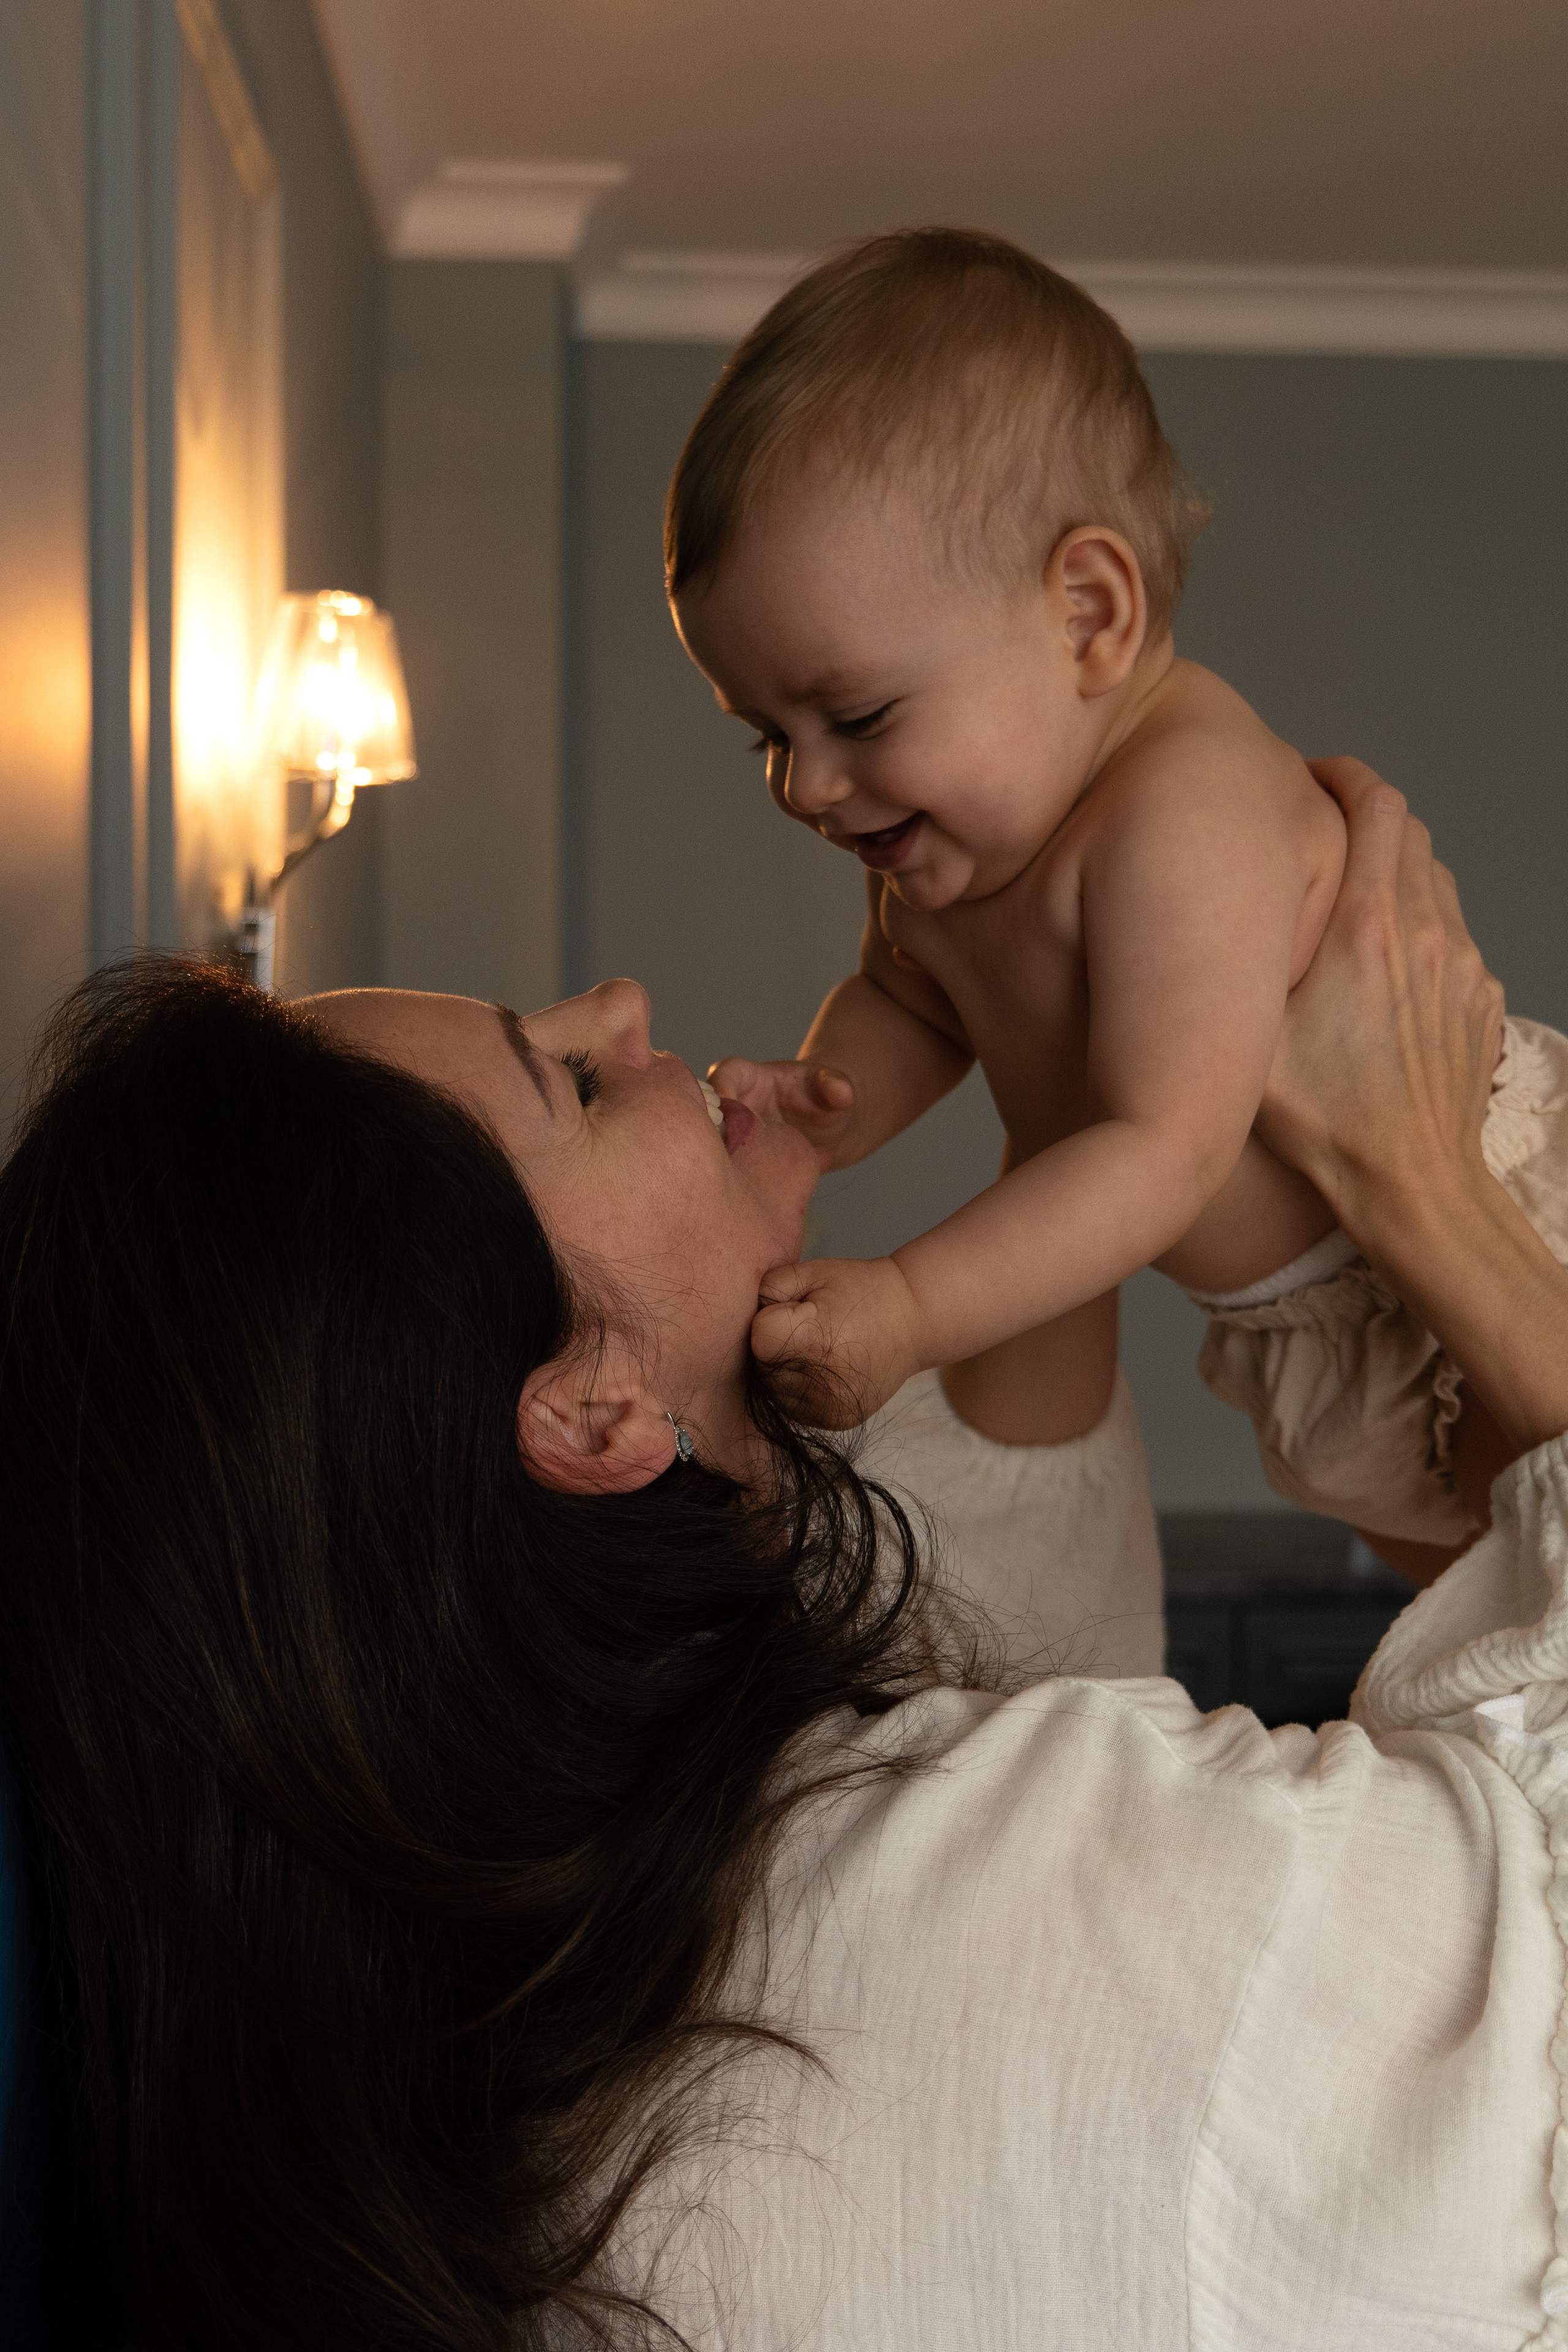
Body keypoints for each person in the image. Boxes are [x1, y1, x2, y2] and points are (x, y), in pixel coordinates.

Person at [3, 762, 1568, 2350]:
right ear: (592, 1409)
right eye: (573, 1087)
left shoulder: (445, 2070)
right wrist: (1423, 1183)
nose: (624, 1006)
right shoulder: (959, 1917)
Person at [671, 227, 1568, 1575]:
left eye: (855, 715)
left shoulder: (1181, 810)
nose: (807, 784)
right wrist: (820, 1108)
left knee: (1531, 1555)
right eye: (766, 735)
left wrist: (912, 1305)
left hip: (1483, 1258)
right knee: (1482, 1625)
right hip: (1304, 1325)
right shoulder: (951, 850)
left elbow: (1164, 1146)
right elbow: (909, 1006)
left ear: (1089, 614)